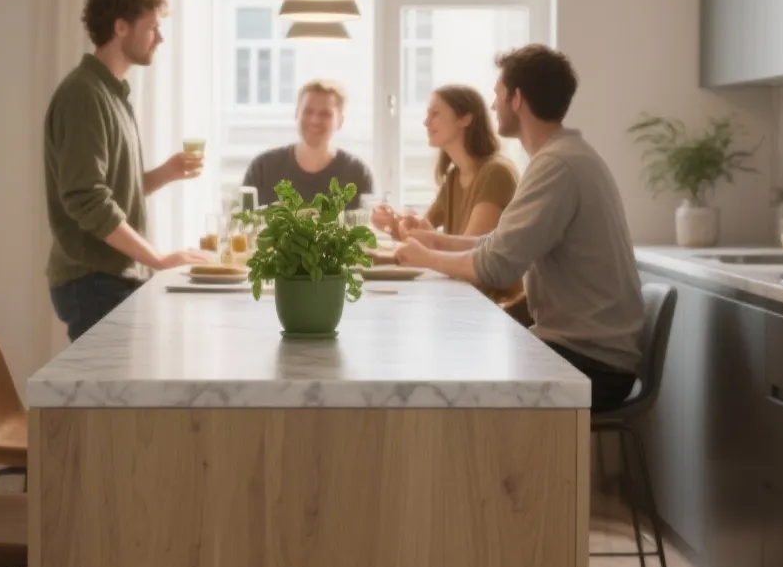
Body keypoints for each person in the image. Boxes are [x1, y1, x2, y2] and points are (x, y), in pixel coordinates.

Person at [395, 45, 646, 408]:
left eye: (497, 93)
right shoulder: (563, 156)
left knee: (450, 369)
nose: (493, 104)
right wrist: (434, 240)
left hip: (591, 365)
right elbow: (499, 243)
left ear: (517, 99)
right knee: (455, 355)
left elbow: (496, 266)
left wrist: (423, 256)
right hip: (587, 354)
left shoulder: (557, 166)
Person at [43, 0, 209, 341]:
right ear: (121, 27)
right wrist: (159, 260)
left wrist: (166, 173)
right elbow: (88, 200)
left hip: (109, 279)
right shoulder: (84, 95)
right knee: (108, 397)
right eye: (153, 27)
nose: (160, 38)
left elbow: (110, 193)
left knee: (122, 395)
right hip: (93, 281)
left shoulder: (112, 94)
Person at [371, 85, 522, 301]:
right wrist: (394, 223)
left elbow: (471, 256)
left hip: (495, 304)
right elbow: (425, 239)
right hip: (465, 296)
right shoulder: (453, 177)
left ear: (465, 119)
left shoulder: (495, 172)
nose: (426, 122)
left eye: (435, 113)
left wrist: (427, 239)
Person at [242, 80, 375, 209]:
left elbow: (368, 227)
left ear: (340, 121)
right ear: (296, 114)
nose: (315, 120)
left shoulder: (358, 174)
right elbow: (241, 226)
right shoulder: (262, 168)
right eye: (308, 111)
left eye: (325, 114)